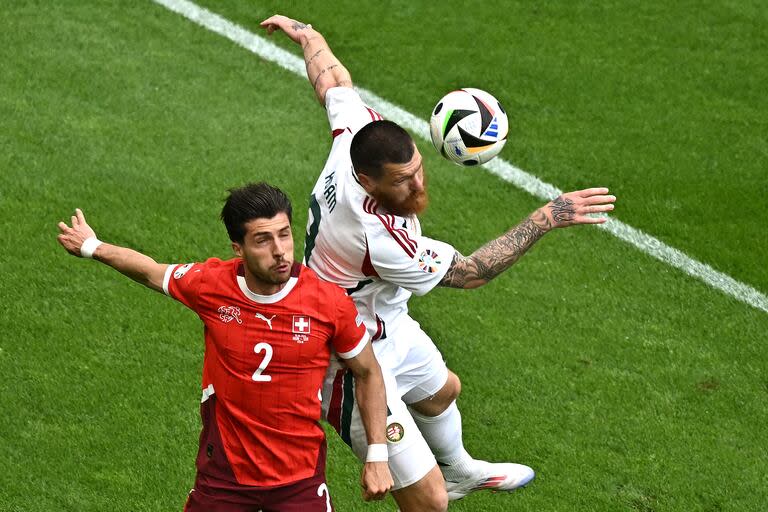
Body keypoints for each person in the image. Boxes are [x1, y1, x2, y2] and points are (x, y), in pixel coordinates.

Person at [262, 15, 617, 512]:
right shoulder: (375, 237)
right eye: (402, 182)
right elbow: (470, 273)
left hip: (385, 318)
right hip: (346, 354)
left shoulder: (355, 136)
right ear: (366, 181)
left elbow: (335, 85)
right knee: (428, 503)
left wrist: (309, 35)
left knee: (442, 390)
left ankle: (459, 470)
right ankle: (439, 486)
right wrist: (546, 217)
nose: (418, 187)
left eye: (418, 170)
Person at [56, 183, 393, 511]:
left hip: (300, 478)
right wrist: (91, 246)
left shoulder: (327, 302)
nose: (279, 250)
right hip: (224, 476)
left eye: (284, 234)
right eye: (263, 239)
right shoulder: (211, 285)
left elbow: (368, 371)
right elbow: (149, 272)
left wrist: (377, 455)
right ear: (238, 247)